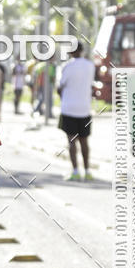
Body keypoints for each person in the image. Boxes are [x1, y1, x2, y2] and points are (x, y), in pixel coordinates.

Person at [58, 40, 96, 180]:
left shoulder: (67, 66)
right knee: (85, 141)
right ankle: (87, 171)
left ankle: (75, 171)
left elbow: (60, 85)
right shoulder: (90, 66)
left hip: (69, 108)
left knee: (72, 141)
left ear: (71, 52)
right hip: (85, 108)